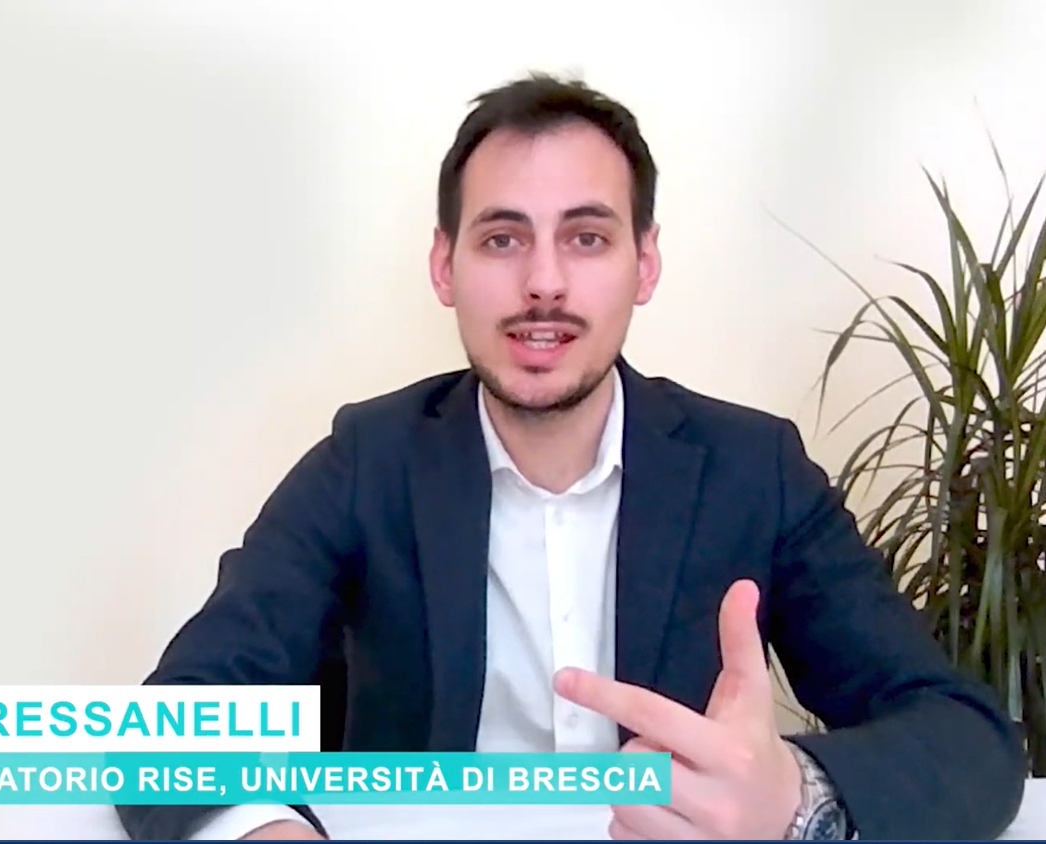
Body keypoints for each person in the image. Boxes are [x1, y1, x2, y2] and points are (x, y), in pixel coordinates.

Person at [113, 71, 1027, 841]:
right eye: (502, 238)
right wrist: (267, 832)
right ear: (445, 266)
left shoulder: (755, 469)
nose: (543, 282)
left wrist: (795, 798)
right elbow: (173, 724)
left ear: (645, 263)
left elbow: (966, 736)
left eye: (587, 238)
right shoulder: (367, 462)